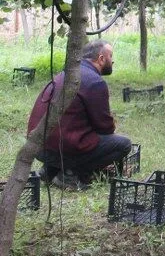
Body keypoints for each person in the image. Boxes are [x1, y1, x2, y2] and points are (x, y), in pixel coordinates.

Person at [27, 40, 131, 191]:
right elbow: (105, 128)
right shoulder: (95, 82)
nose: (112, 60)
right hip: (61, 149)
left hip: (38, 147)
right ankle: (70, 175)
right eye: (110, 56)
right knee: (123, 144)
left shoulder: (66, 73)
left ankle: (50, 170)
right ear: (101, 59)